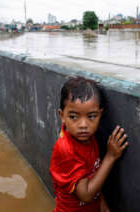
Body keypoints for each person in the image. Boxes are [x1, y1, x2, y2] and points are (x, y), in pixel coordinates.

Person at [49, 77, 129, 212]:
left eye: (91, 116)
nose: (83, 125)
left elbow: (92, 172)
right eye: (74, 117)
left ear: (100, 114)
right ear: (62, 115)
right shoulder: (66, 149)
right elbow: (85, 195)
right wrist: (110, 156)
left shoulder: (89, 139)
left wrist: (101, 203)